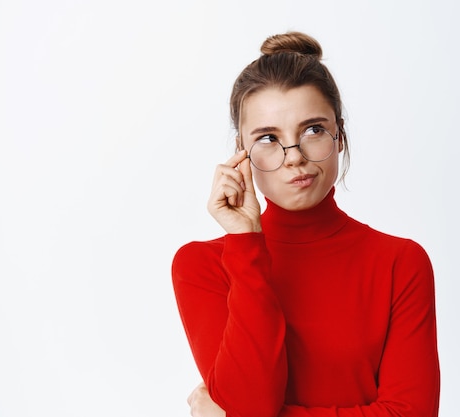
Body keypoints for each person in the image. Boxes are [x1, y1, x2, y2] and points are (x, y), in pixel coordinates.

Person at [171, 31, 440, 417]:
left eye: (313, 129)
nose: (294, 157)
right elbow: (250, 404)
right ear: (241, 154)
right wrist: (245, 243)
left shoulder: (401, 262)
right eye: (268, 137)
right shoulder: (201, 266)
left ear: (340, 135)